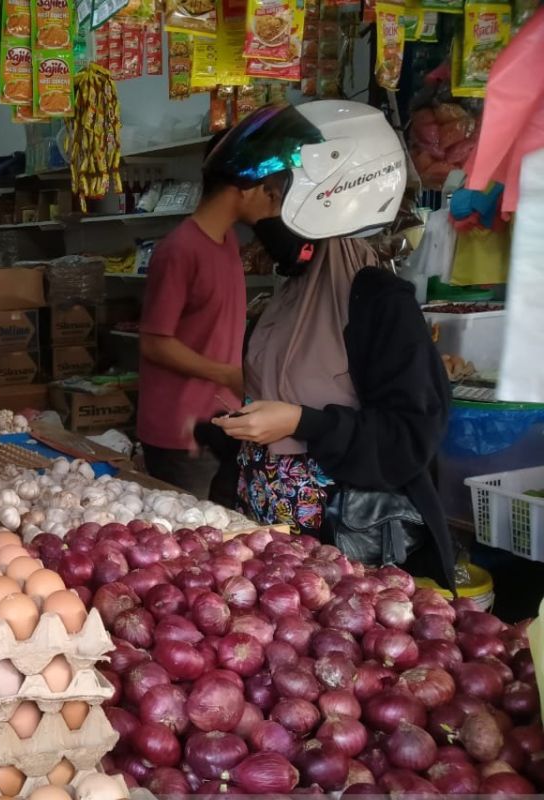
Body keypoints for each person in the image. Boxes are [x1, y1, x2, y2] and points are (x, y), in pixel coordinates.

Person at [211, 101, 456, 590]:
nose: (261, 213)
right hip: (272, 554)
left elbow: (409, 438)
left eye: (276, 195)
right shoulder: (292, 292)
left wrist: (302, 423)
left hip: (344, 561)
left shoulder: (378, 301)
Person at [135, 133, 276, 500]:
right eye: (268, 188)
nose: (273, 199)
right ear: (243, 188)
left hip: (221, 424)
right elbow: (154, 342)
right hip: (180, 433)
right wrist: (226, 374)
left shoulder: (229, 242)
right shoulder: (180, 250)